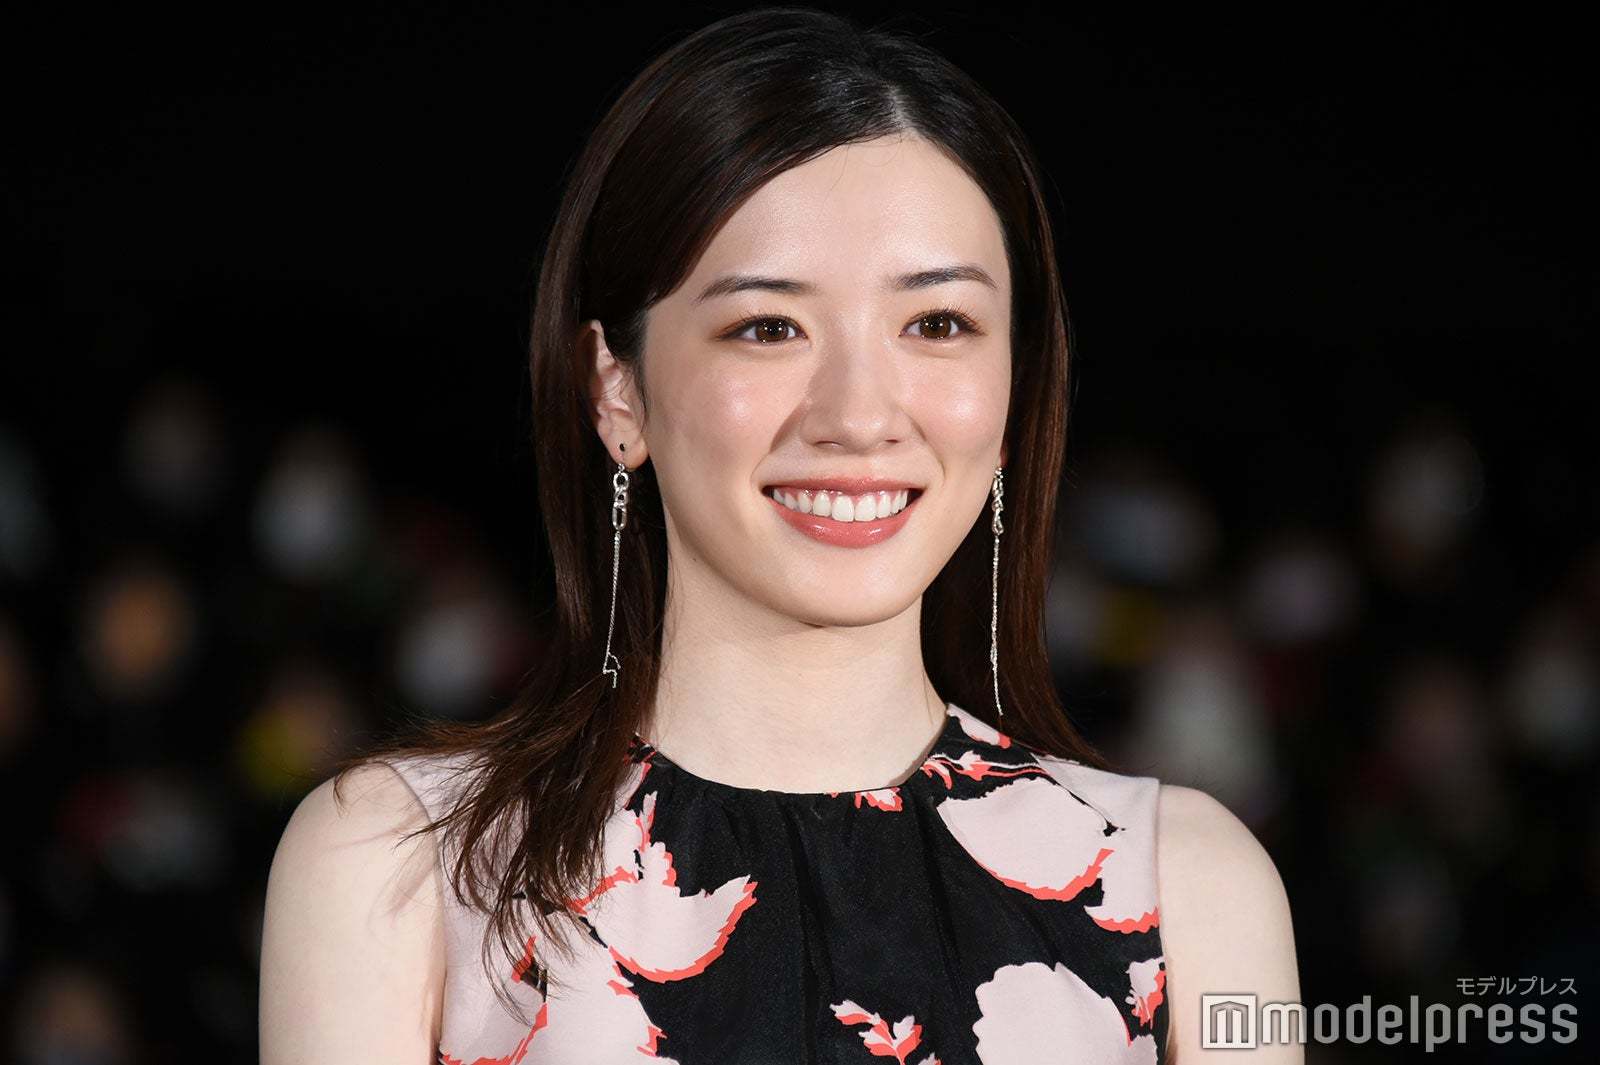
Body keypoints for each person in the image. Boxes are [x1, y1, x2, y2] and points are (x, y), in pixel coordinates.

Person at [259, 8, 1301, 1063]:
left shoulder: (1185, 885)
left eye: (937, 324)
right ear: (616, 388)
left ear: (1014, 388)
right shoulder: (408, 864)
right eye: (768, 327)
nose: (858, 415)